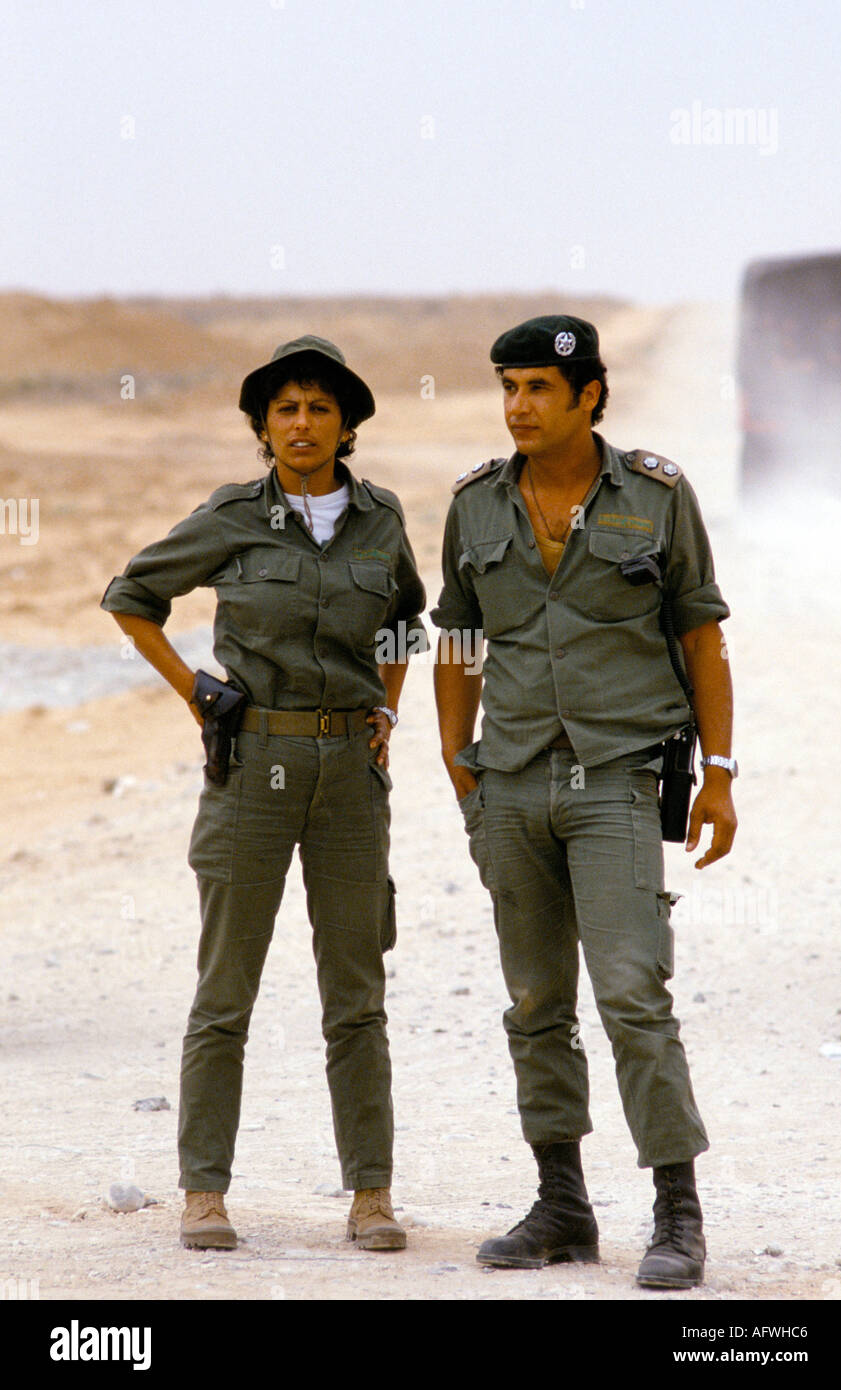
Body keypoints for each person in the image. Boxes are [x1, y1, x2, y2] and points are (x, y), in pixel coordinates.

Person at [102, 335, 427, 1253]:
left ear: (346, 425)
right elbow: (132, 594)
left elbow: (408, 620)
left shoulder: (381, 519)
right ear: (261, 425)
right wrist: (195, 689)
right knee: (225, 991)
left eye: (320, 408)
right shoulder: (233, 516)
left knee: (356, 995)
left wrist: (388, 713)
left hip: (349, 780)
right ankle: (204, 1192)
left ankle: (371, 1194)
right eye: (284, 409)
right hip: (253, 772)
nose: (301, 424)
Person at [431, 314, 737, 1288]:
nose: (519, 405)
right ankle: (561, 1202)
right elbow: (455, 639)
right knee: (534, 1001)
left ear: (588, 396)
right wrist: (458, 763)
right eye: (508, 387)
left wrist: (721, 774)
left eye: (538, 389)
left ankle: (676, 1214)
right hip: (512, 780)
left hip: (613, 776)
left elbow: (702, 638)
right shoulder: (476, 505)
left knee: (632, 993)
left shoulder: (656, 493)